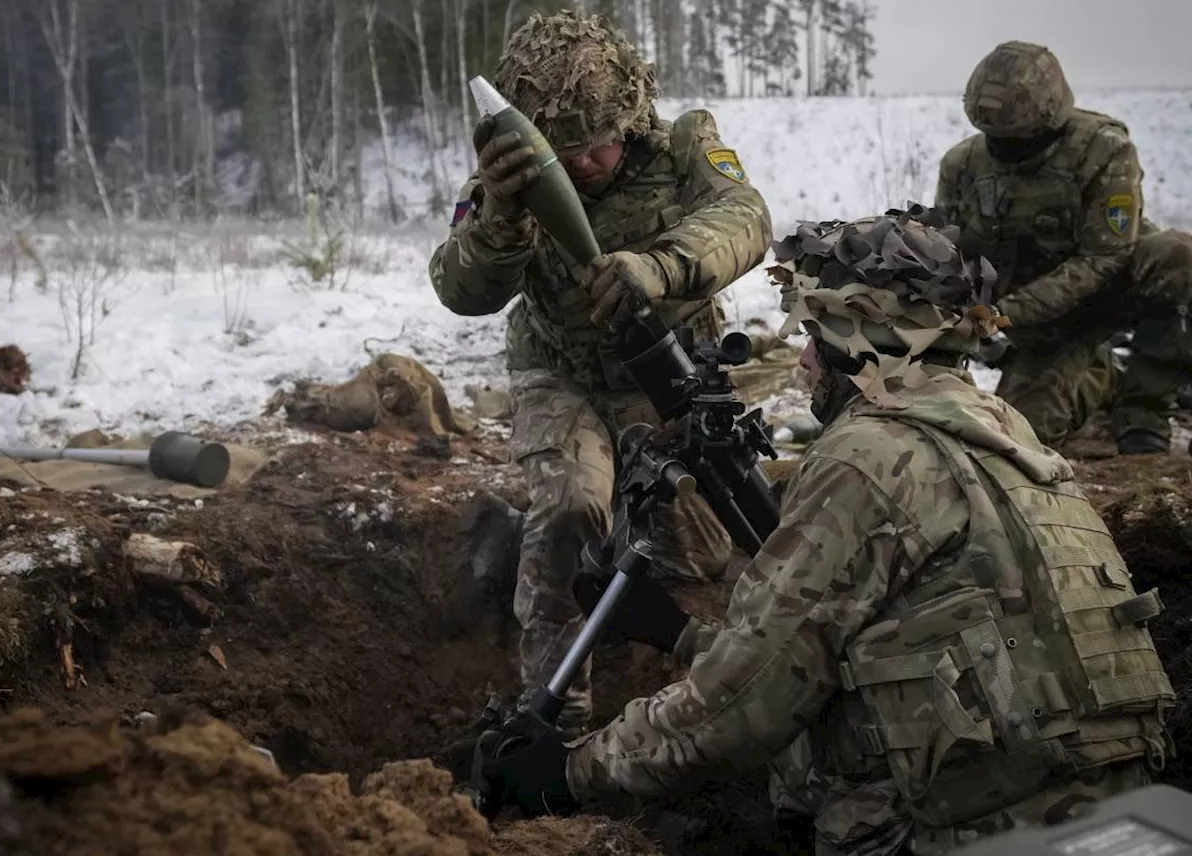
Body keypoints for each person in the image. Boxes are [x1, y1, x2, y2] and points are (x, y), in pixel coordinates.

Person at [479, 209, 1175, 856]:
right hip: (1121, 819)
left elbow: (741, 714)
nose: (803, 359)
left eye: (813, 336)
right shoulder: (1008, 433)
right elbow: (926, 645)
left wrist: (569, 773)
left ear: (858, 342)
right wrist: (682, 638)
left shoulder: (867, 459)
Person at [428, 10, 773, 732]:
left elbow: (745, 217)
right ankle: (559, 720)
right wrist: (498, 220)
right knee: (570, 510)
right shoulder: (508, 182)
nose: (583, 165)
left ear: (630, 114)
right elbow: (461, 290)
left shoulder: (683, 147)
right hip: (562, 374)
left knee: (703, 555)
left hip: (667, 375)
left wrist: (660, 267)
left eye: (598, 146)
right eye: (567, 151)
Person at [932, 40, 1192, 454]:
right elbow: (949, 255)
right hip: (1039, 325)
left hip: (1104, 292)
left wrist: (1005, 315)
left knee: (1178, 257)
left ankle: (1145, 409)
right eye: (994, 139)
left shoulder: (1103, 151)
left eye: (1015, 140)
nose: (1003, 150)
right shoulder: (962, 165)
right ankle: (1102, 377)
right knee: (1023, 436)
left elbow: (1103, 257)